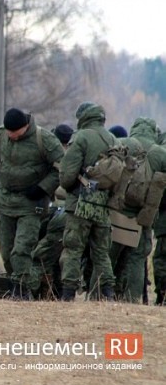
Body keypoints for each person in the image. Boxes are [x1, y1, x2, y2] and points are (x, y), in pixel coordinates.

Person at [0, 107, 64, 300]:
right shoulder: (0, 135)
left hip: (31, 204)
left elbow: (62, 167)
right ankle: (14, 284)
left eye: (15, 132)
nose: (11, 136)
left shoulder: (44, 138)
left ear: (25, 126)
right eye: (9, 132)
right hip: (5, 201)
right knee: (6, 248)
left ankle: (22, 288)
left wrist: (43, 188)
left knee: (22, 248)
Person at [58, 102, 117, 301]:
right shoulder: (112, 139)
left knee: (73, 248)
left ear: (83, 117)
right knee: (101, 252)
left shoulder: (81, 137)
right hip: (103, 205)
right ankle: (107, 293)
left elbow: (67, 176)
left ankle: (68, 294)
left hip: (80, 204)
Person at [111, 117, 166, 303]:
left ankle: (101, 294)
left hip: (118, 210)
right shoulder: (160, 152)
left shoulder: (122, 143)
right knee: (137, 257)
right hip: (144, 214)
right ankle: (132, 298)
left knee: (108, 254)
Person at [28, 123, 74, 299]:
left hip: (49, 211)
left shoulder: (49, 155)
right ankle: (55, 293)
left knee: (41, 255)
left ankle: (36, 292)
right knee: (60, 258)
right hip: (69, 214)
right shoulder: (76, 155)